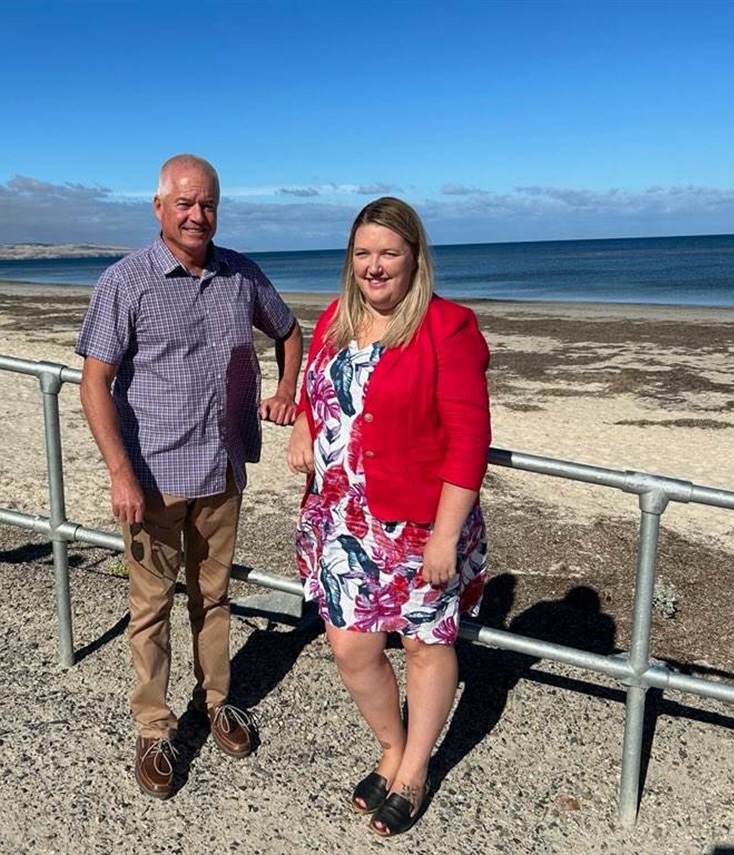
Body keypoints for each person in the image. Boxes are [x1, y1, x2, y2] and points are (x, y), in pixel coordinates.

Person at [76, 154, 303, 800]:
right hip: (150, 479)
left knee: (215, 597)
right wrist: (120, 471)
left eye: (207, 204)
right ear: (158, 208)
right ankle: (153, 728)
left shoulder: (240, 275)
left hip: (221, 470)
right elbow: (94, 384)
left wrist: (288, 388)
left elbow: (290, 332)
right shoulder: (126, 282)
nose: (197, 214)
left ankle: (216, 700)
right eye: (184, 203)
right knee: (149, 606)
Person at [287, 197, 490, 836]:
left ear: (414, 259)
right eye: (363, 254)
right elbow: (323, 391)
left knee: (426, 645)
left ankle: (414, 767)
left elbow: (468, 439)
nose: (375, 268)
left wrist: (448, 536)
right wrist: (301, 420)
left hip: (420, 524)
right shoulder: (334, 319)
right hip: (342, 519)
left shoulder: (447, 326)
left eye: (389, 254)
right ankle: (391, 745)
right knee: (351, 646)